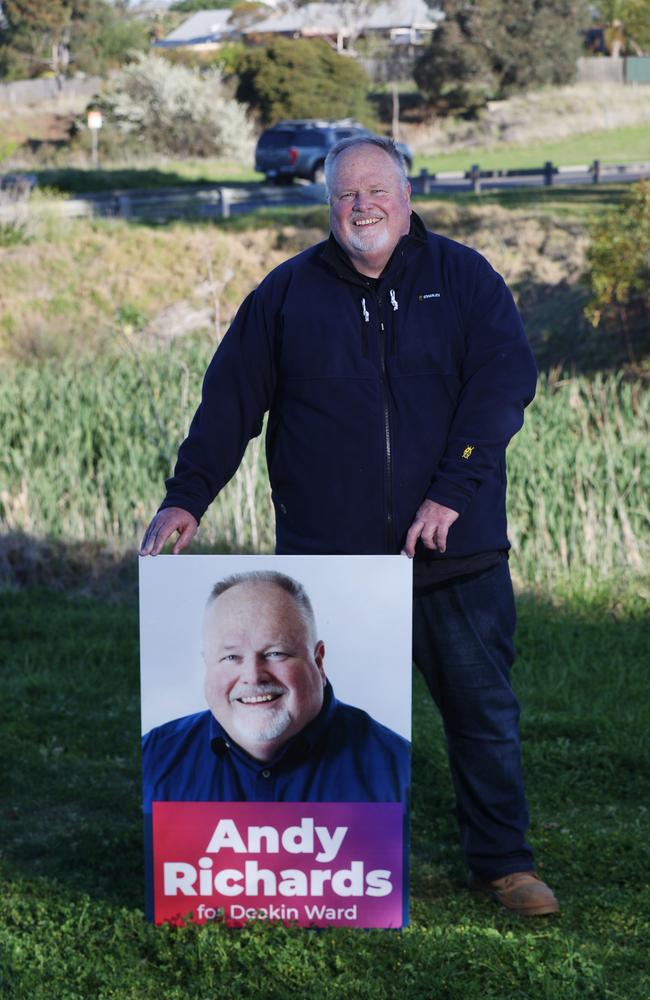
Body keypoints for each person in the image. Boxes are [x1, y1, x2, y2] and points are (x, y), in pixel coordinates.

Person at [140, 136, 558, 916]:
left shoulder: (464, 278)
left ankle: (505, 865)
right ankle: (309, 870)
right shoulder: (286, 294)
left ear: (406, 199)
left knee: (483, 718)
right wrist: (187, 495)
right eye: (344, 196)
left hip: (453, 553)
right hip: (333, 567)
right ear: (327, 206)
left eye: (376, 192)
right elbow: (229, 404)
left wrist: (452, 491)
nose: (361, 207)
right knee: (306, 723)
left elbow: (503, 386)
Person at [142, 570, 410, 810]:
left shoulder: (398, 770)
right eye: (231, 657)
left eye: (275, 653)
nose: (253, 676)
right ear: (207, 665)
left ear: (318, 662)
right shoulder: (152, 760)